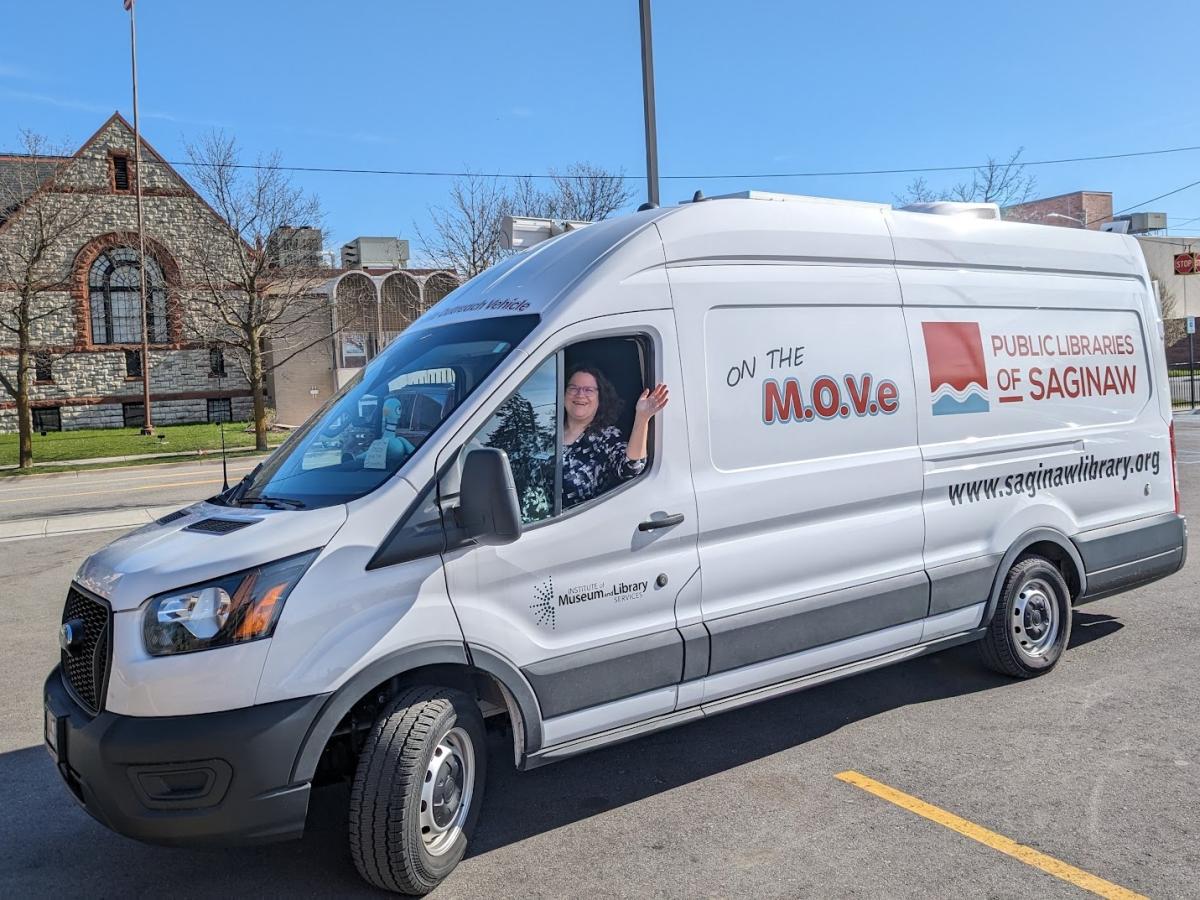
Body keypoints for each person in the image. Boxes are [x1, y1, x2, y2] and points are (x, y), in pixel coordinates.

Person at [561, 364, 669, 508]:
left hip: (569, 525)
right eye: (573, 388)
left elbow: (632, 468)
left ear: (600, 399)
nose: (580, 394)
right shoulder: (548, 431)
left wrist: (642, 417)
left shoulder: (606, 437)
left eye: (589, 390)